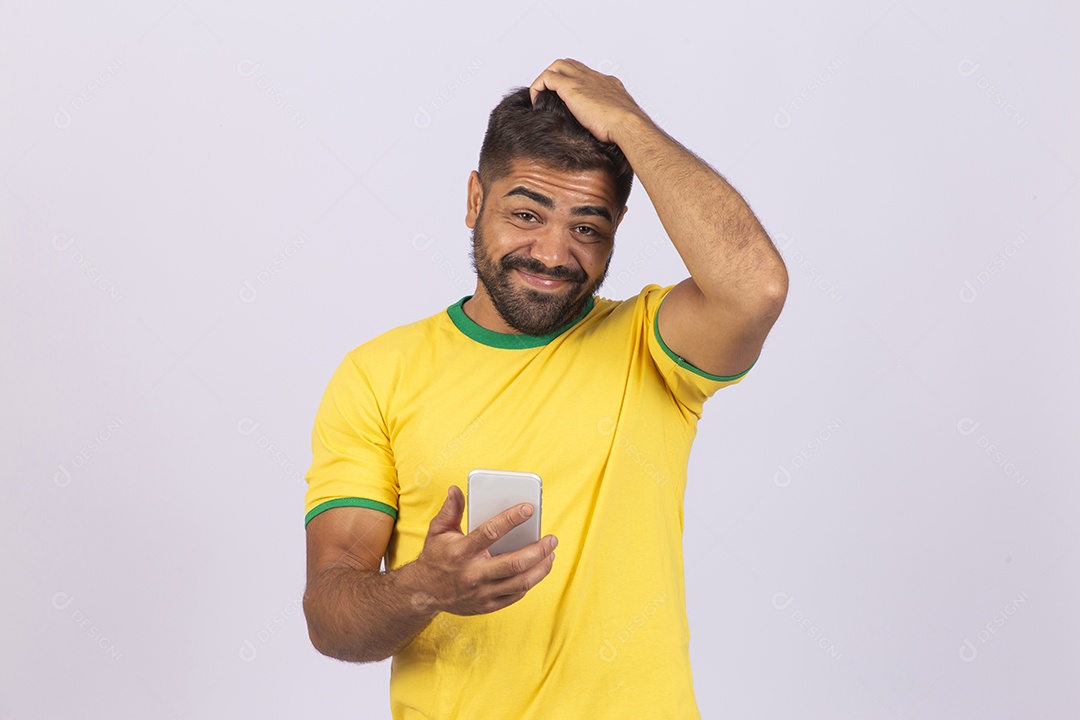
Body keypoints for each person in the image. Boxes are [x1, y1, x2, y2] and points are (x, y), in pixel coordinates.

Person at [302, 58, 788, 719]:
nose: (555, 254)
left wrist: (629, 122)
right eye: (526, 213)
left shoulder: (651, 344)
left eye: (587, 226)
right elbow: (332, 618)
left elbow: (755, 286)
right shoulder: (377, 374)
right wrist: (425, 587)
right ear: (475, 199)